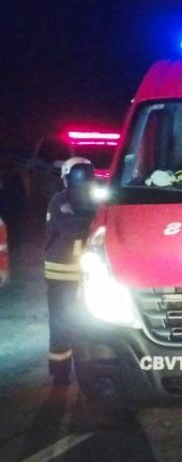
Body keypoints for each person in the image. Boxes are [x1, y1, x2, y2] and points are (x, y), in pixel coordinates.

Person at [43, 157, 98, 384]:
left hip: (83, 272)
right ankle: (60, 371)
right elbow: (72, 230)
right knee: (63, 320)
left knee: (87, 320)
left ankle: (85, 369)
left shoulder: (88, 200)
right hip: (63, 270)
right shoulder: (60, 201)